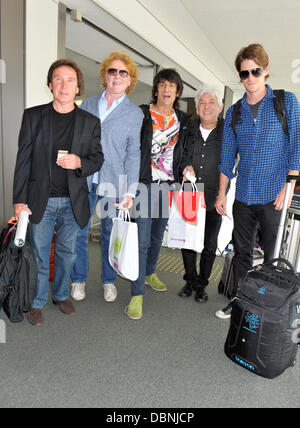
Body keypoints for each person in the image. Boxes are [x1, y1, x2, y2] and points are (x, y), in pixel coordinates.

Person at [13, 59, 104, 325]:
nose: (64, 85)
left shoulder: (90, 122)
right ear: (50, 85)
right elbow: (23, 161)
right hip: (40, 199)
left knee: (68, 252)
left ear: (78, 88)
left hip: (74, 200)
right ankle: (37, 301)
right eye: (58, 79)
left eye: (70, 80)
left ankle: (61, 295)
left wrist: (80, 163)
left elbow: (97, 159)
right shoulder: (33, 116)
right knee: (39, 253)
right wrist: (19, 200)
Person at [215, 43, 300, 319]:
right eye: (244, 73)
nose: (250, 78)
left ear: (266, 71)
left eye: (256, 71)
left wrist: (288, 188)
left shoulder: (285, 102)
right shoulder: (234, 112)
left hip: (274, 195)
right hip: (244, 197)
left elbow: (297, 146)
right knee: (241, 254)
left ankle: (269, 310)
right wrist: (220, 194)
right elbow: (227, 157)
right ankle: (239, 302)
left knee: (274, 258)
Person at [70, 52, 144, 303]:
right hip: (84, 179)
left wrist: (130, 192)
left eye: (123, 72)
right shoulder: (87, 105)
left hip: (114, 183)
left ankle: (108, 281)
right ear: (104, 75)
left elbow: (134, 154)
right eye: (112, 71)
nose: (117, 76)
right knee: (79, 231)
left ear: (130, 79)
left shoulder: (134, 114)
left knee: (110, 234)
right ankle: (78, 279)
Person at [126, 68, 195, 320]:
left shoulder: (184, 120)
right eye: (163, 84)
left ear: (178, 92)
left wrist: (187, 167)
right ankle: (136, 294)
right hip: (144, 184)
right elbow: (131, 147)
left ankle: (150, 272)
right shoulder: (142, 113)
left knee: (157, 235)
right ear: (156, 88)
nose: (167, 90)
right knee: (142, 239)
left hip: (169, 186)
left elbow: (185, 151)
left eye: (172, 86)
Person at [178, 86, 224, 303]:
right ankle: (189, 280)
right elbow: (180, 153)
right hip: (189, 193)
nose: (206, 107)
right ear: (197, 107)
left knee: (209, 244)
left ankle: (201, 284)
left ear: (220, 107)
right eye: (202, 103)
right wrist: (186, 165)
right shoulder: (188, 128)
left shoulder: (227, 131)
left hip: (215, 195)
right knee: (187, 241)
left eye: (211, 102)